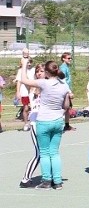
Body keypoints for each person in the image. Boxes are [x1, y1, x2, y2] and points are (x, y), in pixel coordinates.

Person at [19, 61, 71, 190]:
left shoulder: (44, 83)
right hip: (58, 121)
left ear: (47, 73)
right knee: (55, 152)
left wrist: (24, 64)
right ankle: (58, 181)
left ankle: (46, 181)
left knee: (44, 153)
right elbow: (66, 106)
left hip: (43, 121)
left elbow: (24, 80)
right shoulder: (64, 85)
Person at [19, 63, 45, 187]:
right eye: (38, 71)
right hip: (35, 123)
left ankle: (48, 178)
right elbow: (23, 79)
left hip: (46, 122)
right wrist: (24, 64)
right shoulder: (33, 87)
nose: (39, 73)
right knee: (39, 153)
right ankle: (25, 179)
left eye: (42, 71)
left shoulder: (49, 85)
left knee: (47, 153)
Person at [59, 53, 76, 132]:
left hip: (68, 90)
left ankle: (67, 125)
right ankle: (58, 124)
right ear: (63, 59)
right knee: (65, 108)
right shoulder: (63, 68)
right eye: (68, 58)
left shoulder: (67, 67)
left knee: (68, 108)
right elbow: (62, 80)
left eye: (70, 58)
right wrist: (68, 92)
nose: (70, 60)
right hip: (65, 91)